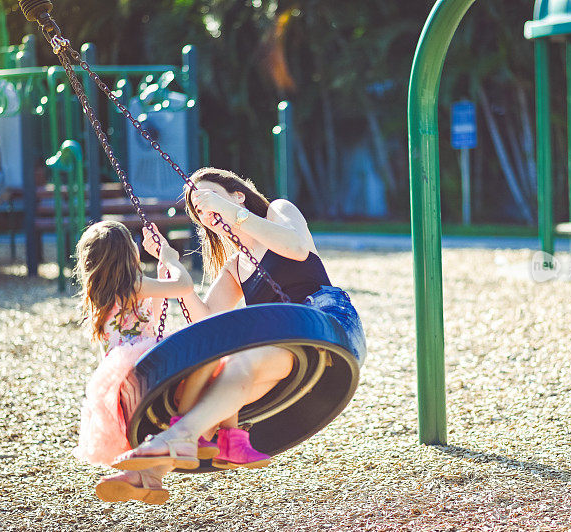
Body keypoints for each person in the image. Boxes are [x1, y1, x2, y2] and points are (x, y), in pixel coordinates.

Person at [109, 168, 366, 495]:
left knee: (237, 362)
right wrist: (169, 260)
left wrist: (234, 214)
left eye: (208, 196)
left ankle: (170, 445)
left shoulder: (279, 211)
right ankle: (151, 471)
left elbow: (298, 249)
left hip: (325, 321)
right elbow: (208, 327)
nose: (204, 209)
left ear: (238, 195)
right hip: (282, 349)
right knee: (213, 375)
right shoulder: (234, 267)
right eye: (198, 209)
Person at [71, 220, 194, 505]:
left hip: (116, 378)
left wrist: (161, 268)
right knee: (170, 408)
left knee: (143, 425)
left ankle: (149, 479)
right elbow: (183, 286)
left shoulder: (98, 294)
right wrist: (172, 260)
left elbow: (154, 305)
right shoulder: (133, 285)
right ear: (130, 254)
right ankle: (149, 470)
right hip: (144, 364)